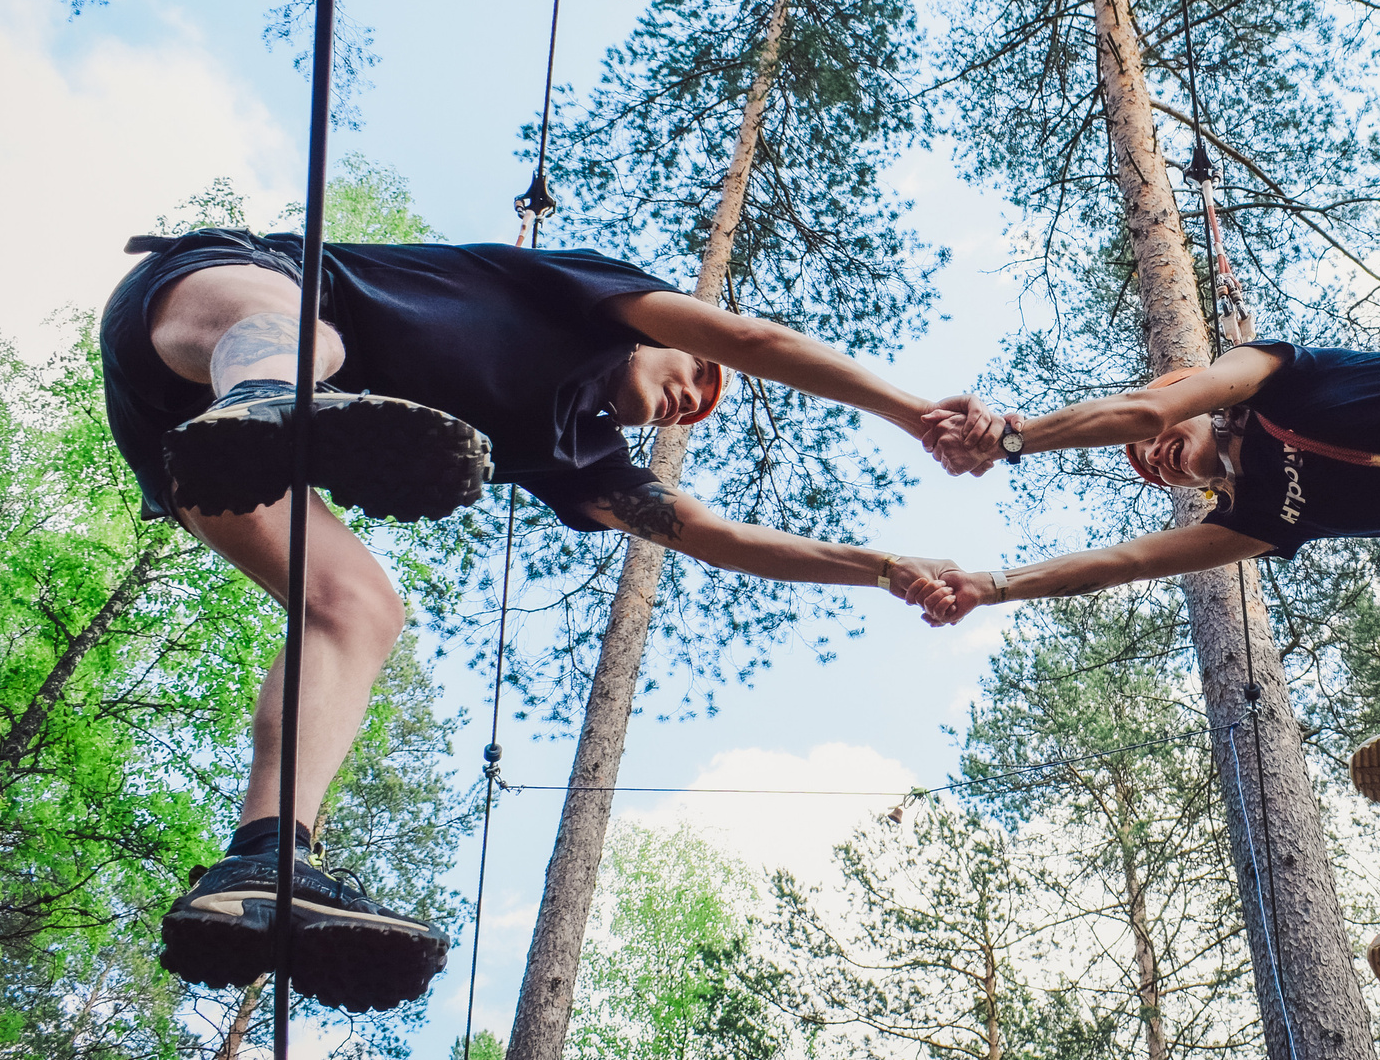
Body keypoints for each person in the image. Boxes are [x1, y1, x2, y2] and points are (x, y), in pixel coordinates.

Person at [102, 227, 967, 1013]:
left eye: (707, 406)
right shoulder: (591, 296)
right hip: (214, 298)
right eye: (696, 372)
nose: (695, 396)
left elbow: (713, 535)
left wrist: (887, 568)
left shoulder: (576, 453)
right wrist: (912, 412)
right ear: (665, 332)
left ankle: (263, 857)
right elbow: (751, 340)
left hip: (176, 440)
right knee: (311, 340)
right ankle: (266, 400)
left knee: (358, 607)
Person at [914, 340, 1380, 998]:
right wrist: (992, 585)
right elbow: (1123, 561)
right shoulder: (1263, 513)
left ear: (1195, 393)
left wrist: (1015, 437)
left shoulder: (1269, 373)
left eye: (1159, 434)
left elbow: (1145, 410)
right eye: (1149, 470)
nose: (1155, 456)